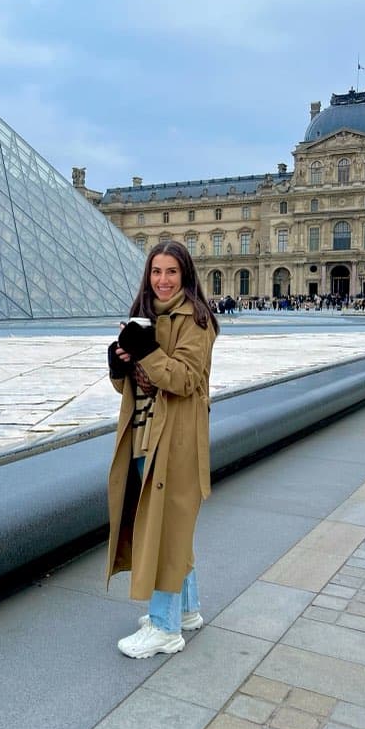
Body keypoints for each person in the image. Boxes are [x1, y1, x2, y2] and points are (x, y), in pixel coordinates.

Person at [106, 240, 219, 658]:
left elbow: (186, 379)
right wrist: (120, 366)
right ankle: (186, 610)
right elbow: (137, 385)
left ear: (185, 275)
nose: (163, 280)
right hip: (143, 434)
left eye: (171, 272)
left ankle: (164, 627)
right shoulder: (147, 316)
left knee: (164, 531)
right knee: (173, 527)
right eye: (156, 271)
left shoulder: (198, 321)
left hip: (175, 441)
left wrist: (146, 351)